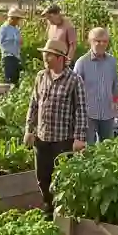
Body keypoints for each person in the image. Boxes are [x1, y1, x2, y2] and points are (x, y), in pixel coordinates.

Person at [25, 39, 88, 216]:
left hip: (63, 139)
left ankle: (61, 212)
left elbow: (81, 110)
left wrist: (80, 138)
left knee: (60, 177)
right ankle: (48, 207)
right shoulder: (41, 77)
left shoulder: (74, 80)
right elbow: (34, 104)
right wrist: (29, 129)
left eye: (49, 54)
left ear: (60, 57)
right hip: (42, 137)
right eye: (45, 53)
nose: (45, 57)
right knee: (42, 177)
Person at [73, 27, 118, 144]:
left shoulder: (112, 61)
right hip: (88, 113)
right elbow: (73, 88)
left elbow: (115, 84)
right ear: (90, 41)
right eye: (97, 41)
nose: (101, 44)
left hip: (107, 112)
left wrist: (116, 101)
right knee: (88, 147)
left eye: (104, 41)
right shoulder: (82, 63)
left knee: (107, 148)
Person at [0, 7, 24, 86]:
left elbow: (20, 42)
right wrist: (11, 41)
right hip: (8, 56)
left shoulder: (16, 29)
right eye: (17, 19)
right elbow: (0, 44)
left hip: (16, 57)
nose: (17, 21)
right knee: (9, 80)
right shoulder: (4, 28)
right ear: (12, 18)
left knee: (16, 80)